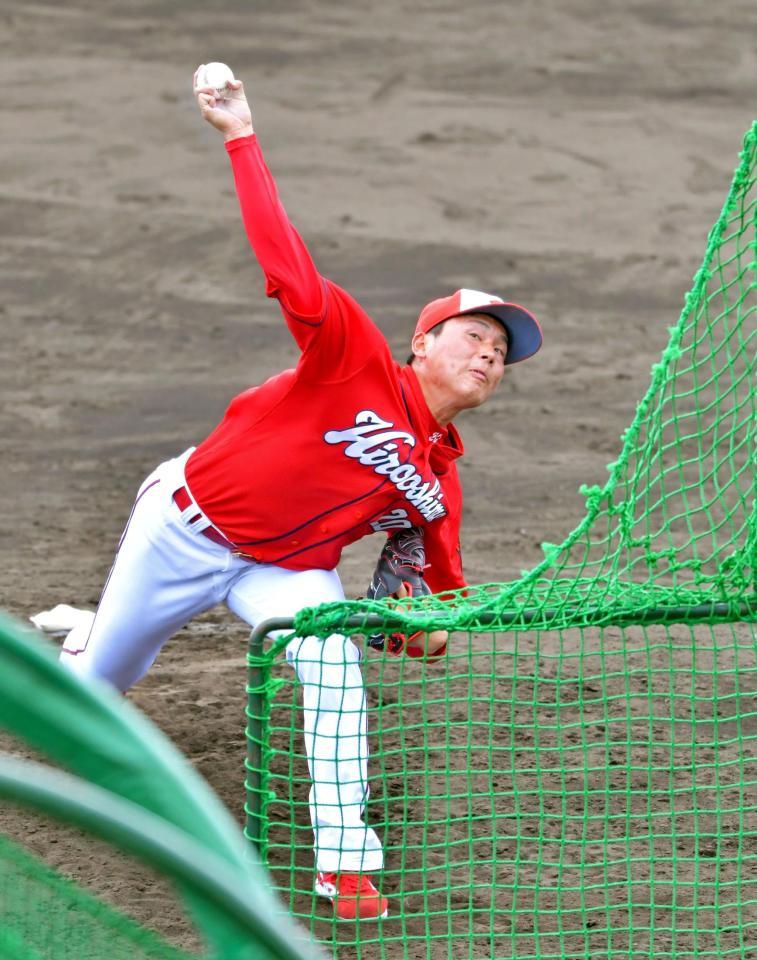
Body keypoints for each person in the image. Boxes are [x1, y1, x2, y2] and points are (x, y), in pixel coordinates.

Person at [56, 66, 543, 921]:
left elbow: (441, 596)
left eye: (499, 355)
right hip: (182, 528)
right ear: (420, 346)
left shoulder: (437, 482)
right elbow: (285, 256)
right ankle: (91, 637)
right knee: (97, 690)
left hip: (280, 572)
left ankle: (343, 866)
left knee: (334, 662)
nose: (487, 357)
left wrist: (422, 630)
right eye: (473, 338)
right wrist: (239, 137)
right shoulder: (351, 354)